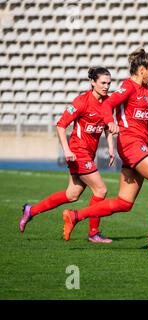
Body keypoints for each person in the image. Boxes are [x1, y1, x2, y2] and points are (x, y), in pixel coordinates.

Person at [61, 48, 148, 250]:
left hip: (137, 146)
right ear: (141, 69)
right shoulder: (127, 87)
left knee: (124, 202)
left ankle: (75, 216)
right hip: (131, 144)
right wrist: (109, 121)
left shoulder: (146, 91)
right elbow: (107, 105)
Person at [19, 67, 115, 243]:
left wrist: (110, 147)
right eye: (103, 83)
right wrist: (67, 149)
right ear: (92, 82)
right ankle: (93, 233)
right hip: (78, 152)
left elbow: (108, 127)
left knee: (72, 195)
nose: (106, 86)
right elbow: (61, 125)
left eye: (109, 83)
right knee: (101, 190)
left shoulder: (109, 103)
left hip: (88, 153)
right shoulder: (81, 101)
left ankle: (30, 211)